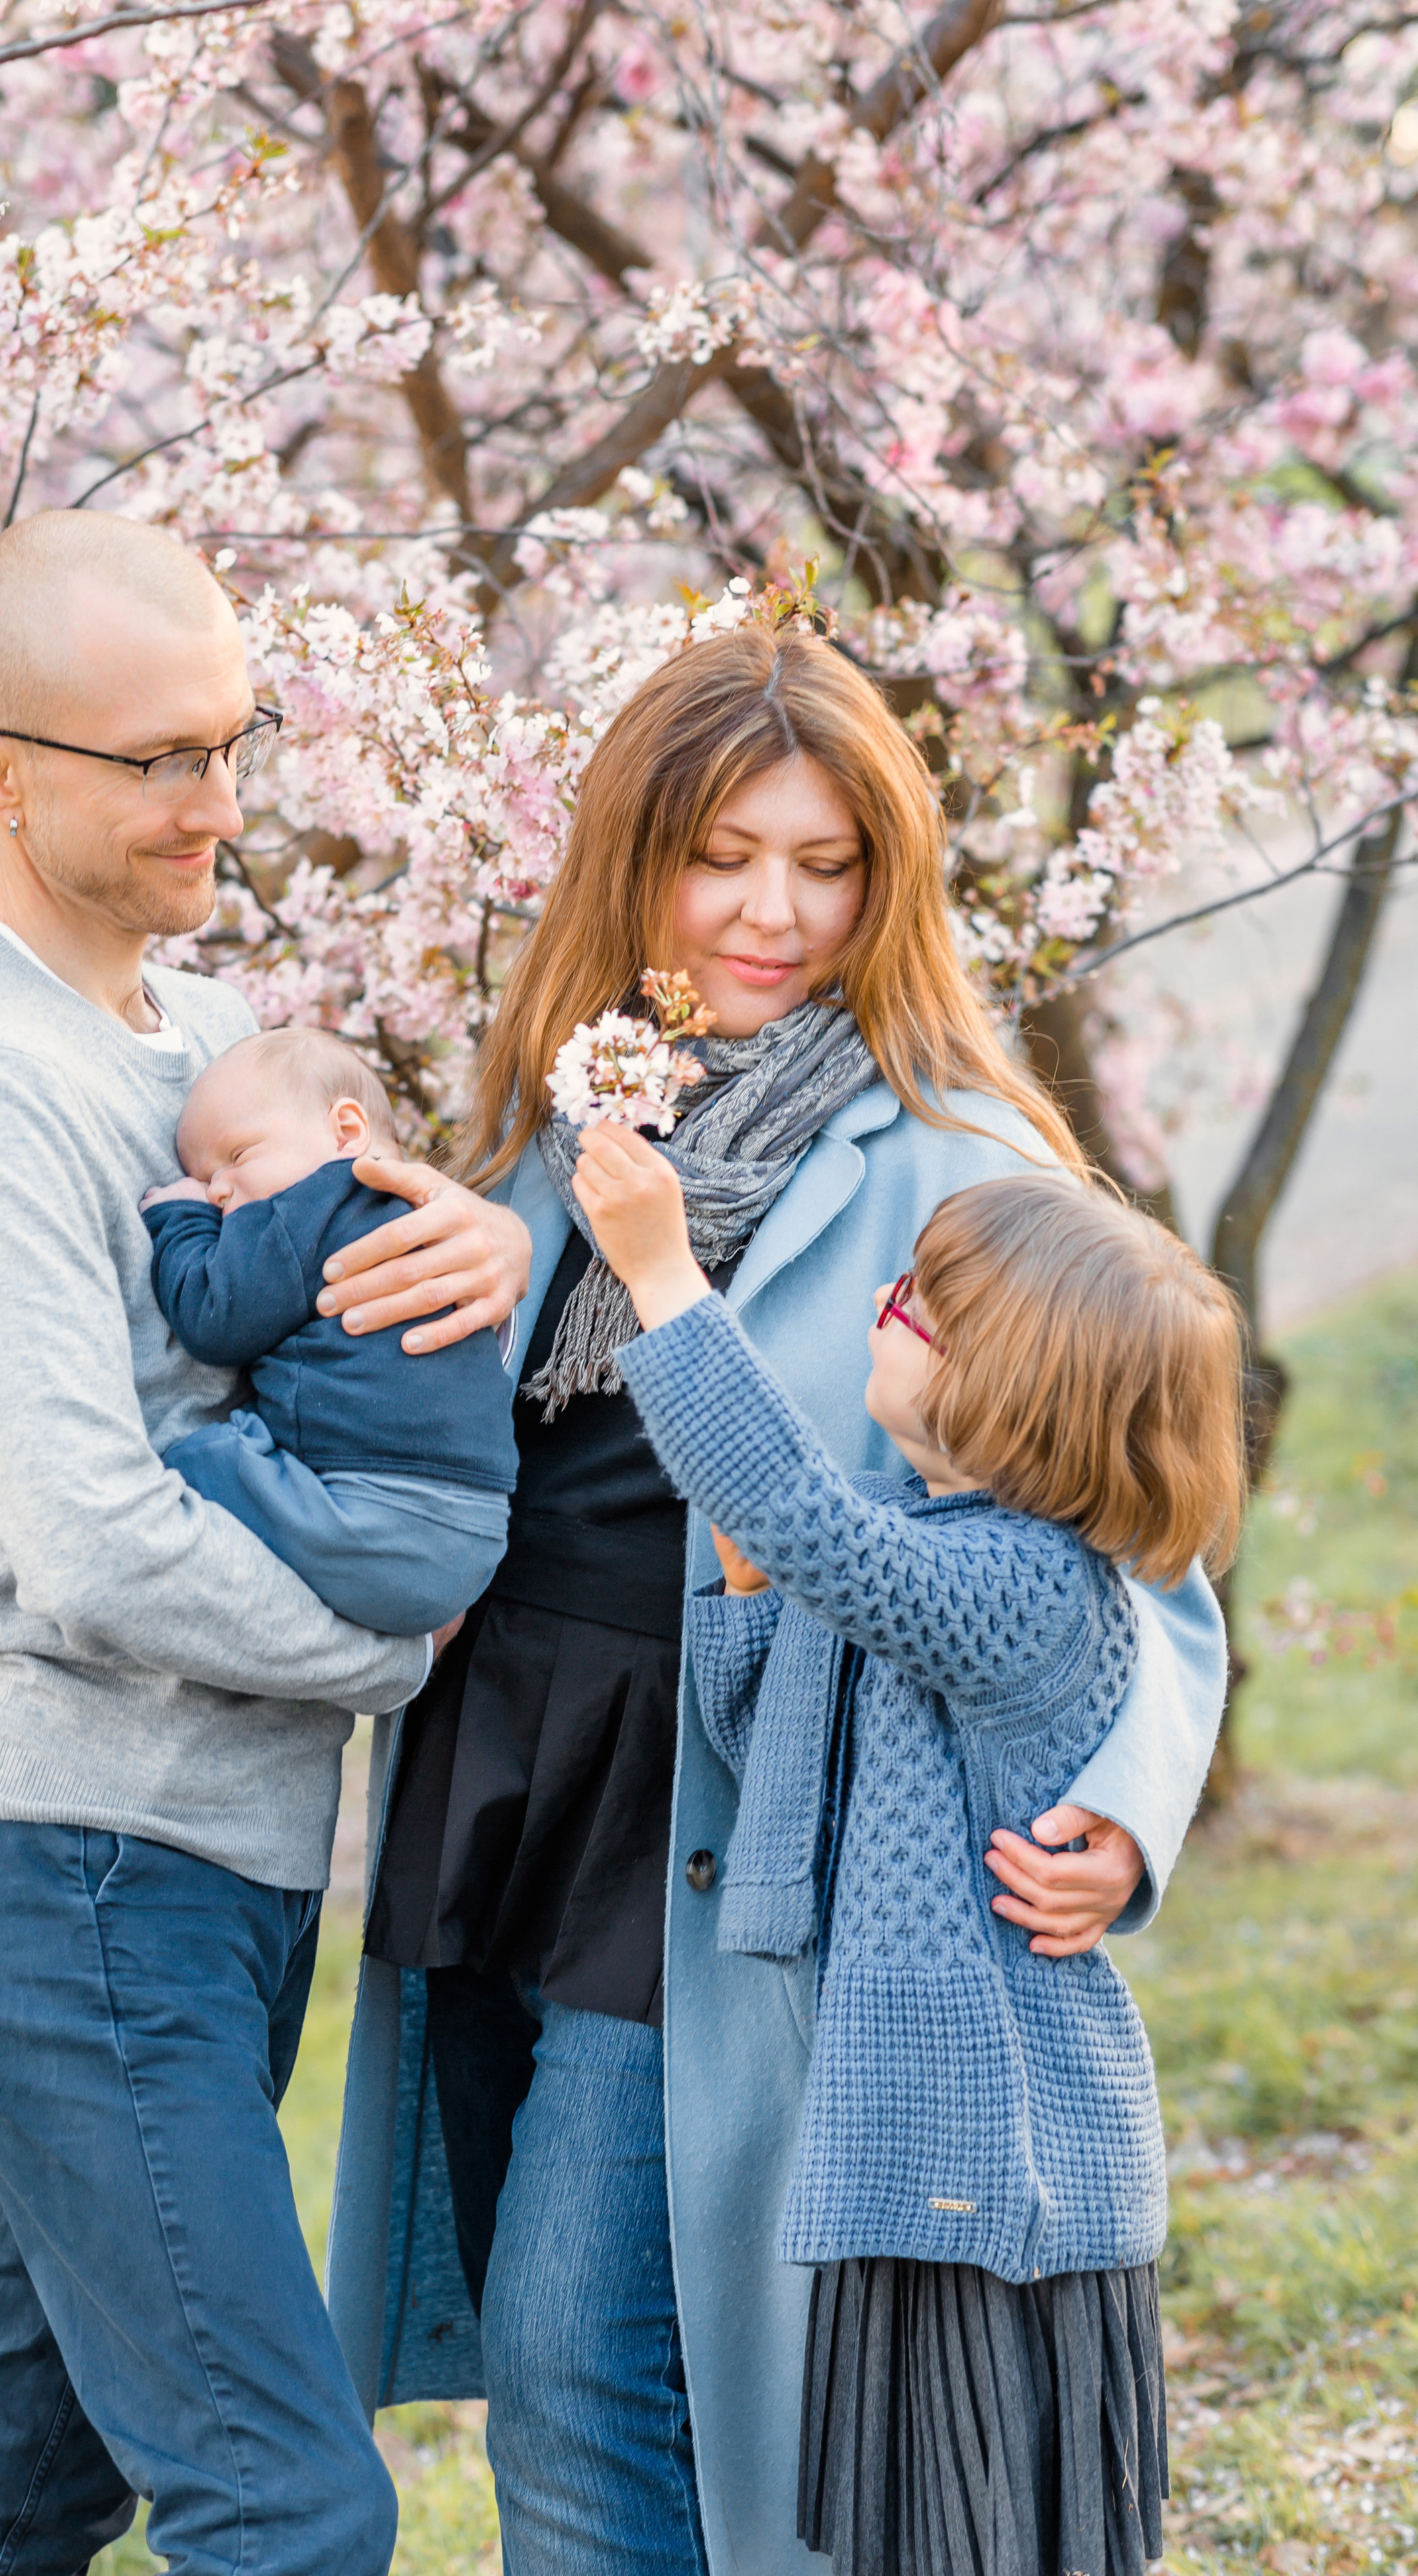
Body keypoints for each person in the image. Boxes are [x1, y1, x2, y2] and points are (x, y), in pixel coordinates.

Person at [324, 622, 1229, 2575]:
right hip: (517, 1771)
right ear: (630, 862)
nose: (772, 912)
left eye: (824, 864)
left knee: (582, 2347)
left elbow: (1136, 1538)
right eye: (721, 857)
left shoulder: (963, 1159)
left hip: (730, 1806)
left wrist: (1125, 1803)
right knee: (567, 2352)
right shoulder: (563, 1114)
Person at [0, 508, 530, 2576]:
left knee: (22, 2490)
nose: (215, 802)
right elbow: (96, 1545)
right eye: (154, 759)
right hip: (76, 1875)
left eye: (227, 743)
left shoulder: (211, 1039)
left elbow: (376, 1301)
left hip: (206, 1871)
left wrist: (482, 1242)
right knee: (288, 2505)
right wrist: (392, 1656)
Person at [571, 1144, 1245, 2575]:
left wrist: (664, 1279)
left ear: (1009, 1397)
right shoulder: (930, 1546)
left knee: (971, 2532)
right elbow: (784, 1762)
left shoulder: (1023, 1586)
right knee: (903, 2530)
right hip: (906, 2144)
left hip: (993, 2155)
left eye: (913, 1305)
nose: (886, 1303)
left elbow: (813, 1525)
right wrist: (749, 1599)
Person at [142, 1026, 516, 1635]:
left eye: (236, 1157)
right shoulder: (430, 1218)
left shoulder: (313, 1205)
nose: (217, 1190)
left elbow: (213, 1319)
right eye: (203, 1180)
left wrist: (178, 1218)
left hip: (370, 1516)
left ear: (345, 1131)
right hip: (478, 1531)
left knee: (198, 1459)